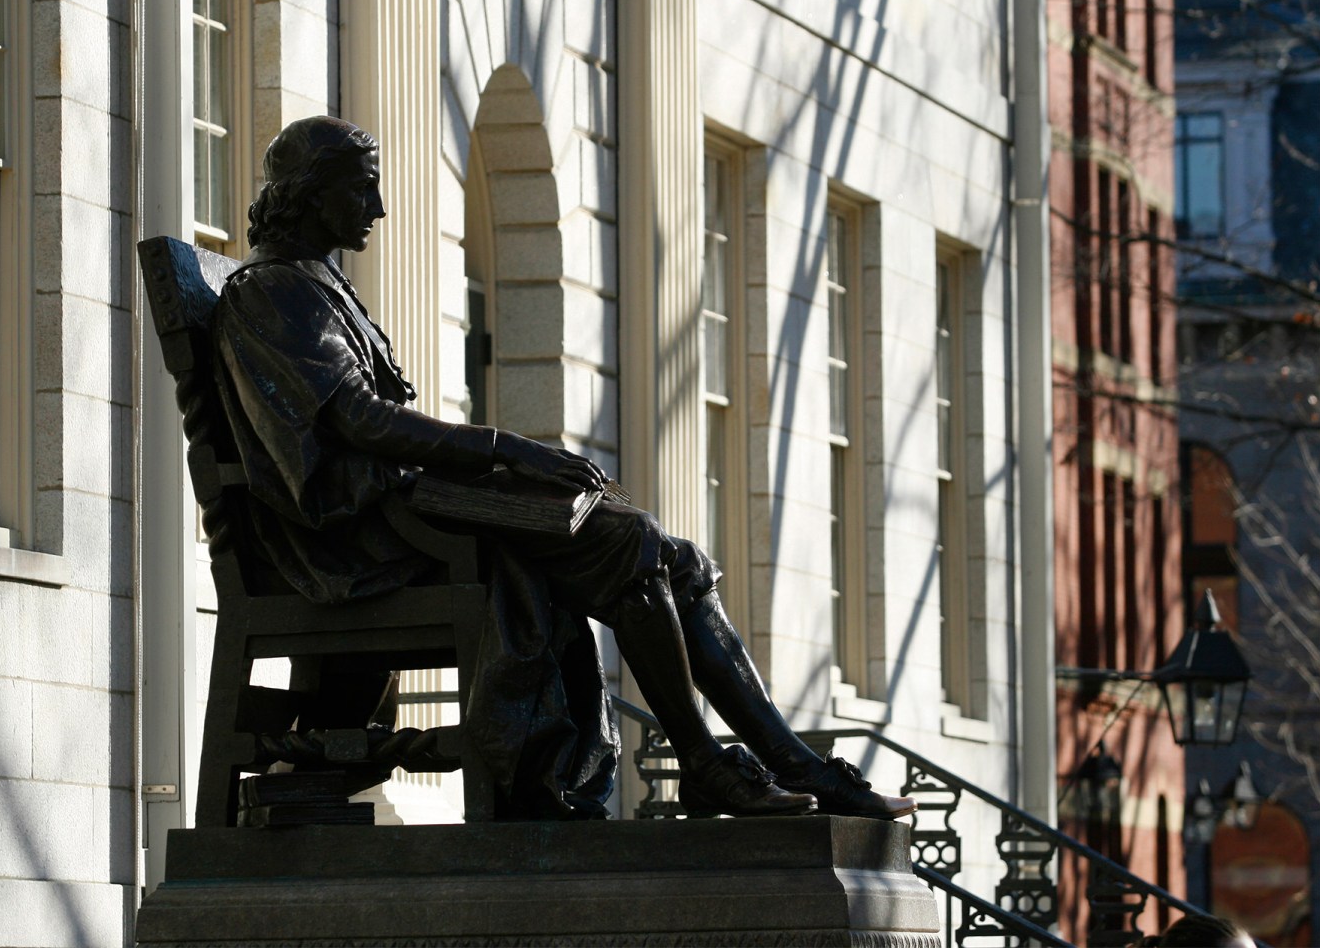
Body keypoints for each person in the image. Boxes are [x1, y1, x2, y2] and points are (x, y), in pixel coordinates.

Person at [212, 115, 915, 823]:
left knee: (674, 557)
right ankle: (706, 763)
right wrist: (510, 449)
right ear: (312, 192)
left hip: (397, 516)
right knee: (629, 540)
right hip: (350, 539)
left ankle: (792, 764)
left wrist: (513, 462)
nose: (379, 207)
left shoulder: (313, 283)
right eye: (362, 188)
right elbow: (361, 420)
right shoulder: (271, 290)